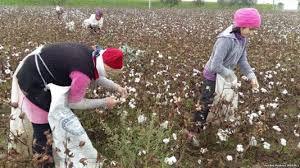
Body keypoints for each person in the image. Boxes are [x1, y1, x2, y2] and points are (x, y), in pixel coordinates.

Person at [11, 43, 127, 166]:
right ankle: (42, 161)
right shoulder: (82, 73)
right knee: (42, 130)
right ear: (107, 68)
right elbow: (75, 103)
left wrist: (116, 87)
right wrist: (104, 102)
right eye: (111, 73)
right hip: (33, 82)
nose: (109, 76)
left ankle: (52, 154)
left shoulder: (90, 55)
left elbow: (95, 75)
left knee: (55, 122)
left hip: (38, 69)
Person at [194, 8, 261, 125]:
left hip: (224, 76)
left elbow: (242, 59)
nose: (252, 33)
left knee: (222, 103)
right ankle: (195, 130)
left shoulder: (243, 39)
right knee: (206, 104)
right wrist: (230, 75)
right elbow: (215, 65)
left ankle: (212, 129)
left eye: (254, 30)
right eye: (251, 29)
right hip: (212, 77)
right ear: (242, 26)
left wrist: (251, 76)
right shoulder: (225, 40)